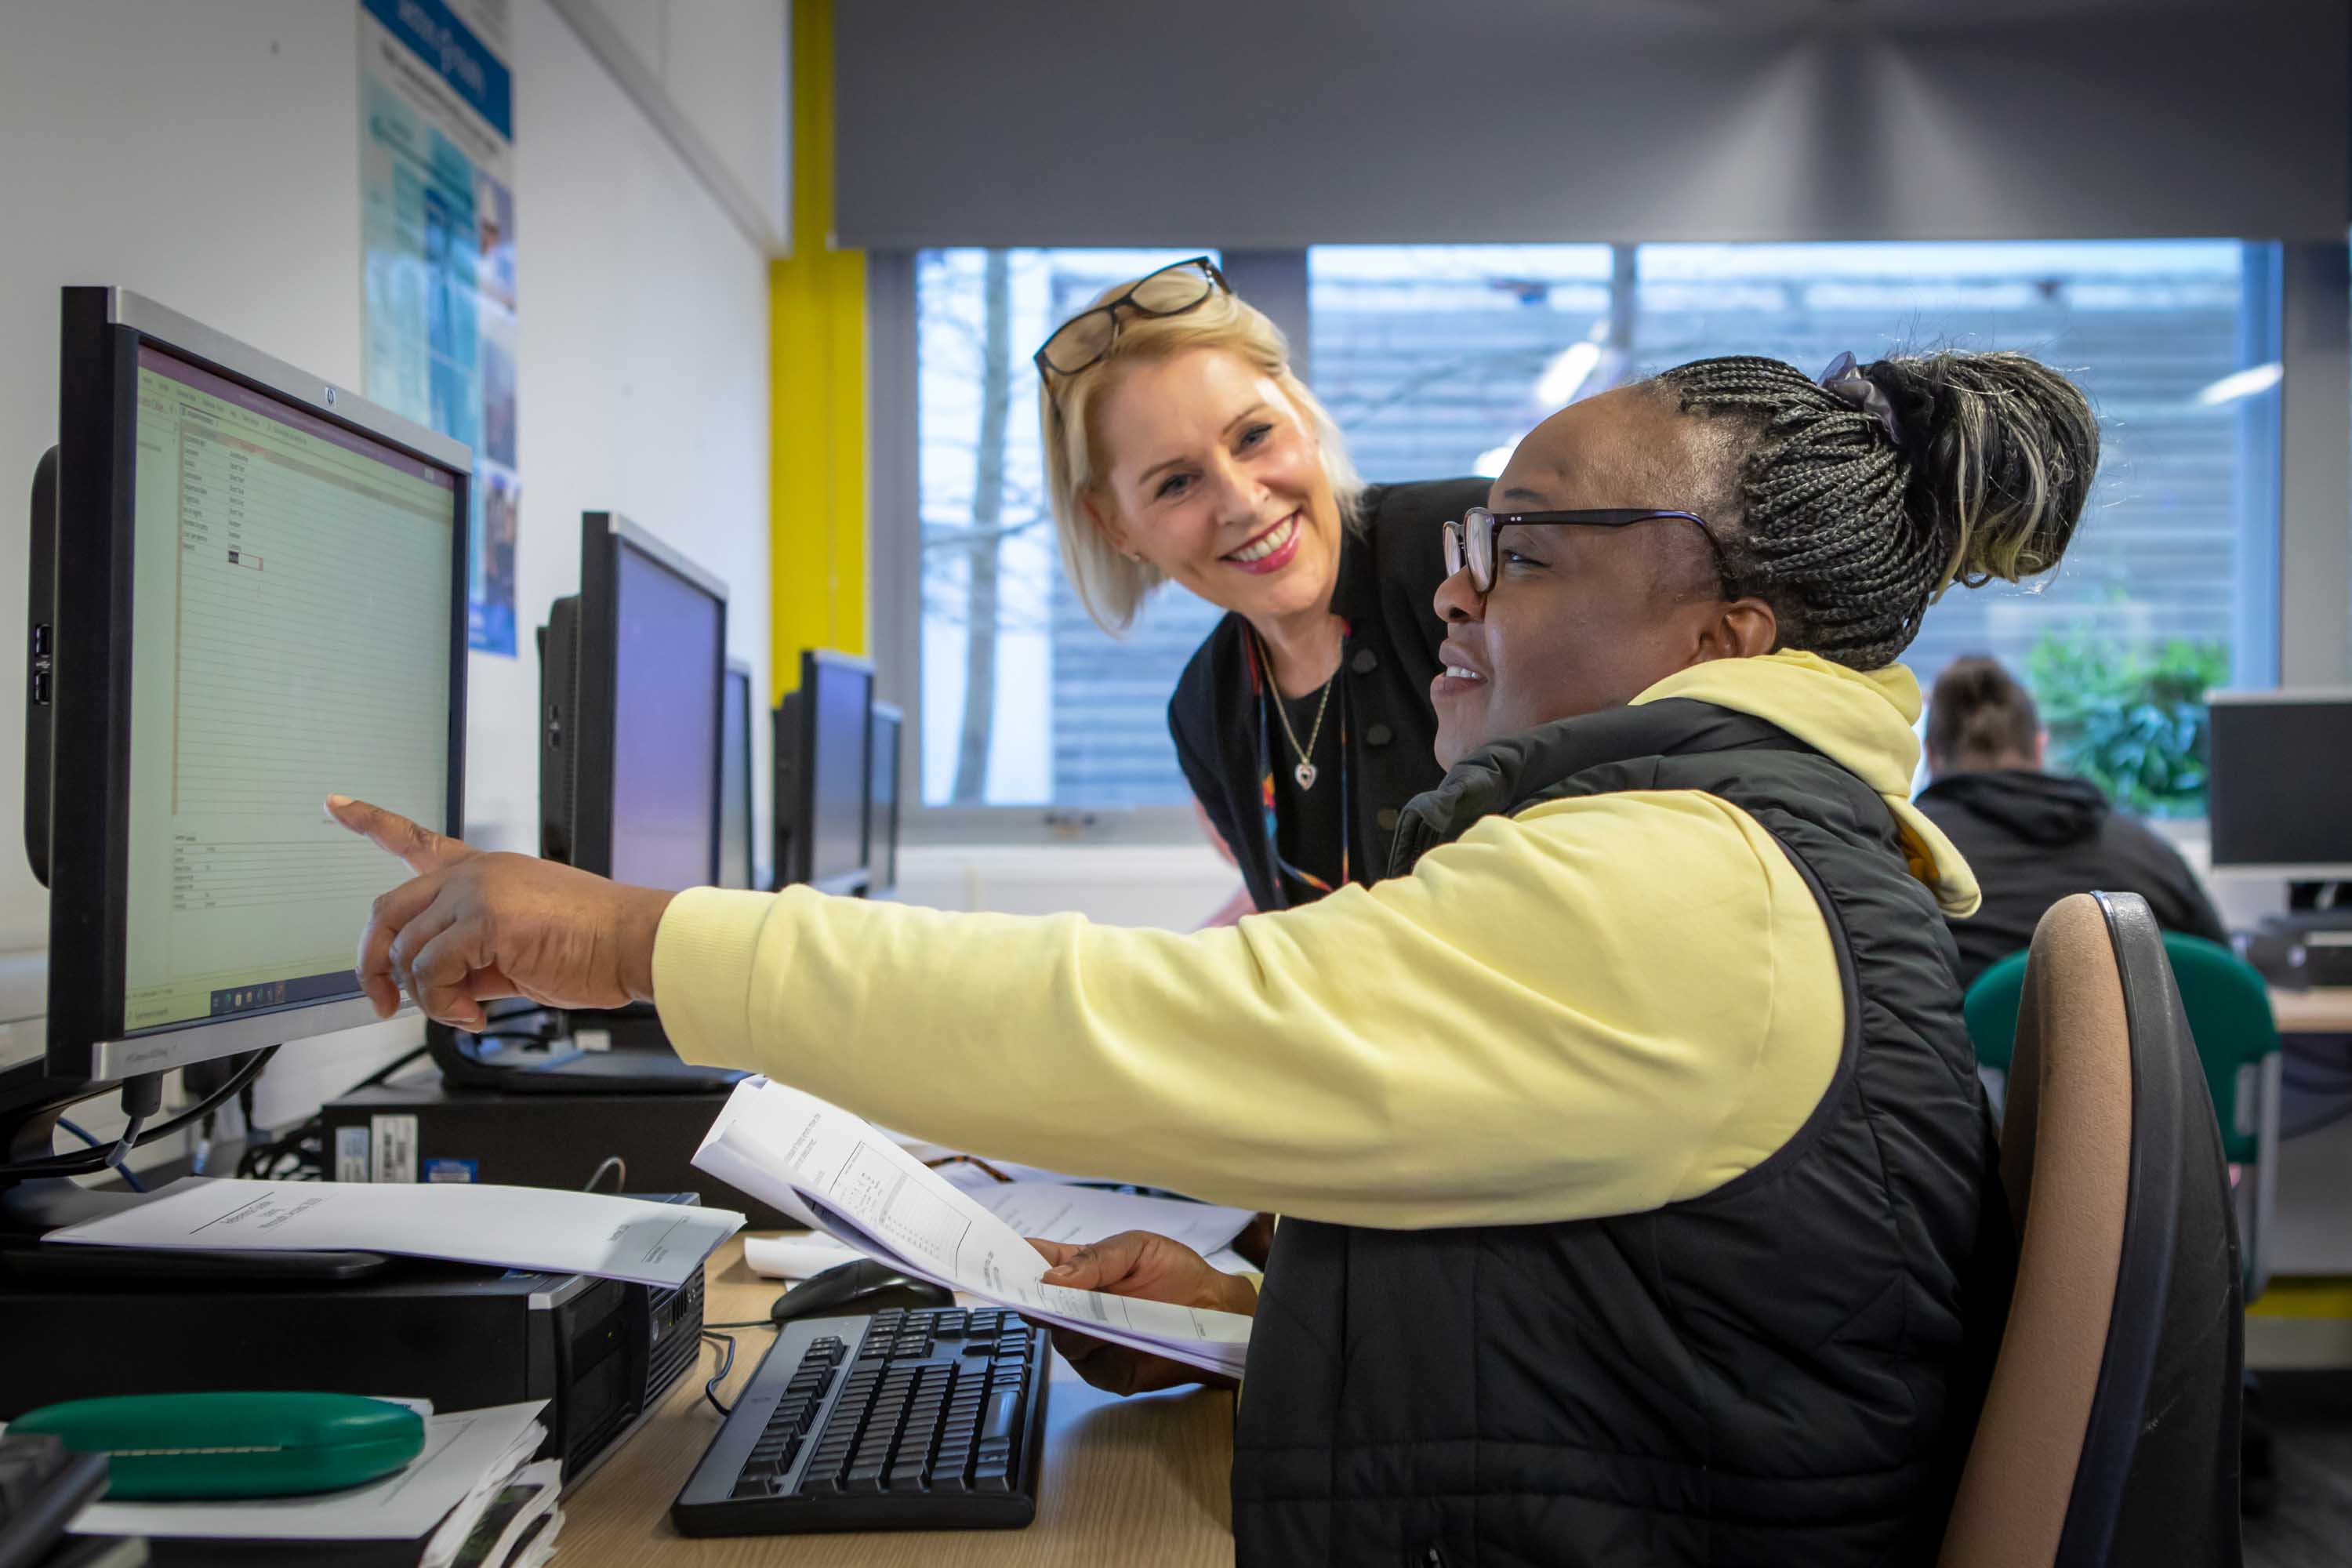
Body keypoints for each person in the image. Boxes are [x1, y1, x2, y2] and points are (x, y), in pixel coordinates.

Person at [336, 344, 2100, 1566]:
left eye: (1520, 546)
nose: (1456, 593)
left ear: (1726, 627)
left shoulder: (1689, 882)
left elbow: (1148, 1025)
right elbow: (1614, 1303)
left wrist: (632, 935)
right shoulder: (1716, 847)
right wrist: (1275, 1330)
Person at [1037, 257, 1486, 910]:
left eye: (1252, 436)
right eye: (1176, 483)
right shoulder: (1206, 710)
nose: (1242, 503)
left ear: (1300, 412)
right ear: (1115, 528)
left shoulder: (1471, 550)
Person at [1917, 654, 2228, 987]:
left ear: (1931, 754)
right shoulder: (2152, 857)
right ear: (2039, 746)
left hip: (1968, 1039)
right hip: (2124, 1039)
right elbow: (2225, 983)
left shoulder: (1905, 856)